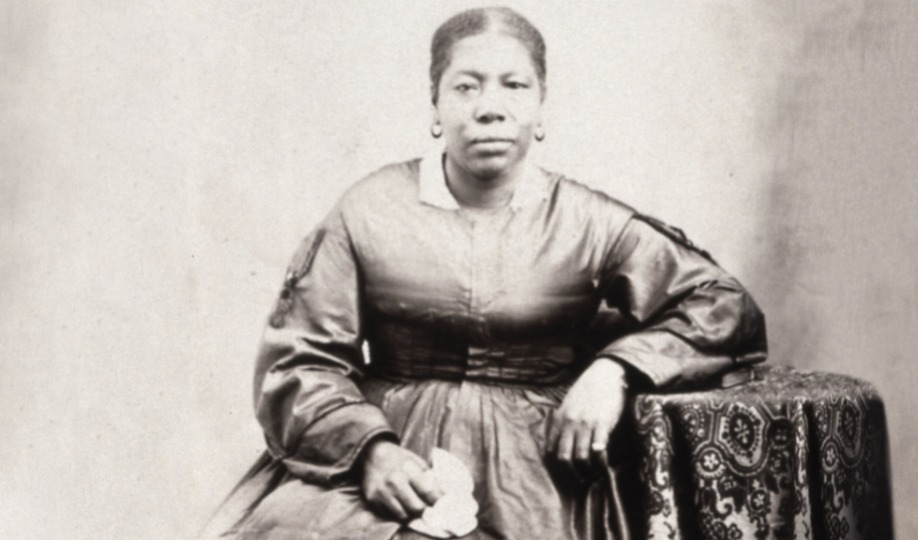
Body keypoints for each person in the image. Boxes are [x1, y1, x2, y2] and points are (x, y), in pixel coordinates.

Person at [203, 6, 766, 540]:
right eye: (466, 86)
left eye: (513, 85)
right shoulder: (368, 209)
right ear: (435, 106)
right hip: (391, 449)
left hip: (540, 467)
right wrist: (370, 450)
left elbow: (722, 303)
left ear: (541, 106)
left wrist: (614, 372)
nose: (488, 107)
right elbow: (297, 360)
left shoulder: (589, 220)